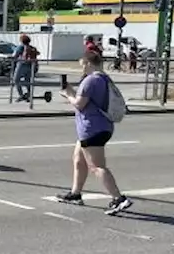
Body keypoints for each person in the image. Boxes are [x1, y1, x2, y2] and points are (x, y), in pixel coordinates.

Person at [55, 51, 133, 214]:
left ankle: (119, 198)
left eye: (82, 65)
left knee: (97, 167)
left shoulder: (90, 80)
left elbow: (79, 104)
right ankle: (75, 194)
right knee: (78, 160)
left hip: (92, 128)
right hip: (102, 126)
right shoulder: (104, 78)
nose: (81, 68)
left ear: (88, 63)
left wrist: (68, 94)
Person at [11, 34, 37, 102]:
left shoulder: (20, 47)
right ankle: (29, 95)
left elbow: (14, 55)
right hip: (30, 66)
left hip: (21, 65)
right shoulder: (31, 47)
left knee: (16, 80)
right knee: (28, 81)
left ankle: (21, 95)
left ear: (21, 41)